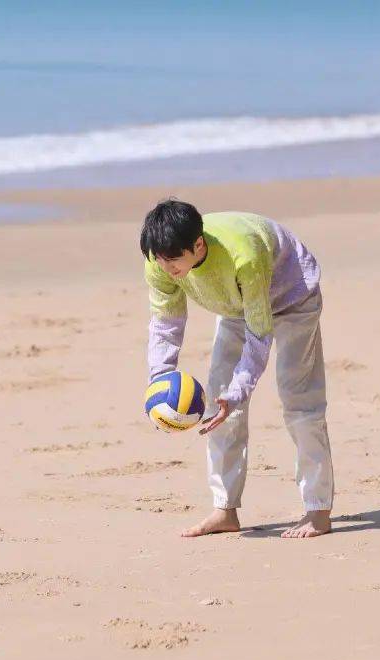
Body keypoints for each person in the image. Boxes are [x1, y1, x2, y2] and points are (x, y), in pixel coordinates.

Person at [142, 199, 335, 538]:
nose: (165, 266)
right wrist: (159, 378)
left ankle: (318, 510)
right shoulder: (159, 261)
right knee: (218, 405)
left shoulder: (243, 255)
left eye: (172, 260)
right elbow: (166, 324)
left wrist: (239, 392)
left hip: (293, 295)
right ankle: (224, 509)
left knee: (299, 401)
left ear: (198, 245)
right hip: (235, 306)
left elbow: (259, 334)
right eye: (159, 259)